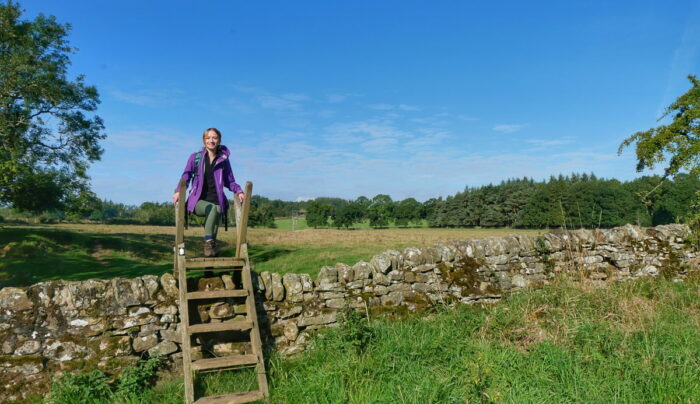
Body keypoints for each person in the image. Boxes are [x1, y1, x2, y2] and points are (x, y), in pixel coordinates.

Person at [173, 128, 245, 257]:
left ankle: (209, 271)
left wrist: (239, 191)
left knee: (213, 239)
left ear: (219, 140)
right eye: (208, 138)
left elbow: (230, 181)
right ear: (204, 140)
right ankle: (207, 243)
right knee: (212, 210)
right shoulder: (195, 158)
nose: (211, 140)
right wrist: (178, 191)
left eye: (214, 138)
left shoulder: (223, 161)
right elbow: (186, 176)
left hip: (218, 202)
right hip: (198, 201)